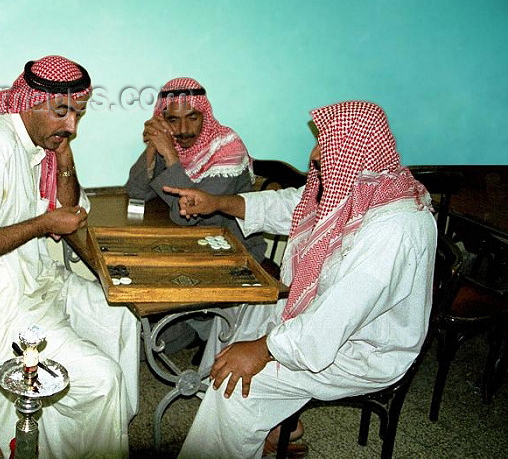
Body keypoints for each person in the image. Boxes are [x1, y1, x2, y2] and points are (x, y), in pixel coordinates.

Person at [165, 101, 437, 459]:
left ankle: (238, 417)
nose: (313, 153)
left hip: (363, 348)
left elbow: (333, 321)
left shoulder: (396, 228)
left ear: (354, 149)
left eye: (324, 143)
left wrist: (262, 349)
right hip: (324, 318)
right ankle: (267, 426)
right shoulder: (359, 186)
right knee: (236, 314)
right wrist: (217, 203)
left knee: (238, 388)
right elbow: (291, 206)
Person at [0, 55, 139, 459]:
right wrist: (43, 224)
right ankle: (71, 425)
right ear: (30, 101)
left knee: (122, 315)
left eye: (78, 113)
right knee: (102, 380)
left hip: (36, 280)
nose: (72, 126)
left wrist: (64, 158)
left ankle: (100, 429)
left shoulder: (40, 141)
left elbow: (75, 209)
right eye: (62, 112)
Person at [126, 77, 266, 355]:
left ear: (206, 114)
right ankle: (192, 326)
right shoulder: (173, 144)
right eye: (173, 120)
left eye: (192, 118)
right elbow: (136, 191)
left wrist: (171, 156)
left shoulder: (227, 148)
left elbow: (188, 213)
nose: (183, 130)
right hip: (194, 241)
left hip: (233, 250)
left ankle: (199, 325)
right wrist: (154, 149)